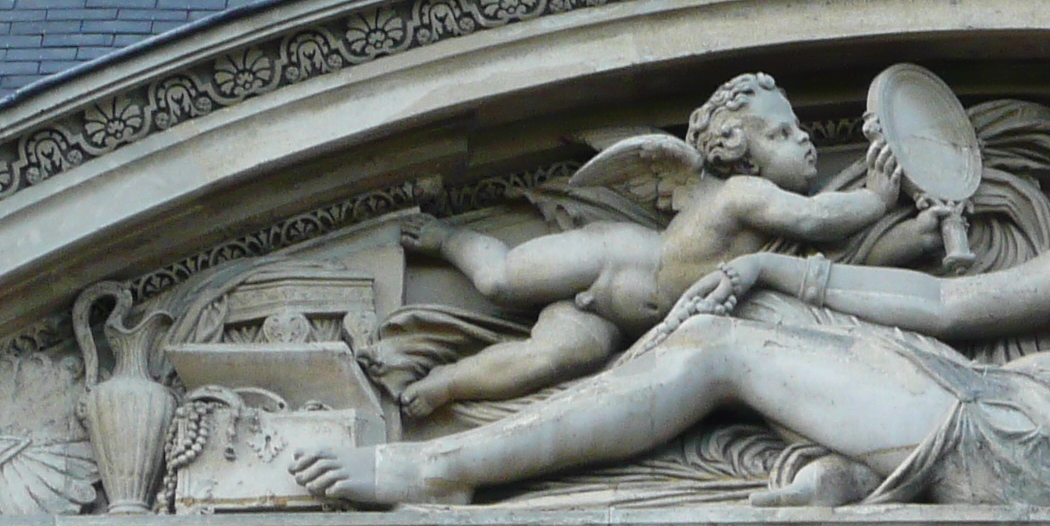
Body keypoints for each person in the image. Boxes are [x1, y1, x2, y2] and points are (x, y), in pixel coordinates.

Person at [292, 40, 1050, 508]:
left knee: (713, 350)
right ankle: (840, 479)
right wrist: (780, 277)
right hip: (1024, 408)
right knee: (755, 329)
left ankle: (422, 466)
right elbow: (950, 305)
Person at [386, 72, 906, 414]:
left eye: (798, 131)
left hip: (620, 321)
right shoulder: (746, 194)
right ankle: (447, 236)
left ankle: (448, 383)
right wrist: (878, 200)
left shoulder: (765, 222)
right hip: (612, 257)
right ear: (738, 150)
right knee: (500, 279)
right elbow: (817, 218)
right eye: (781, 134)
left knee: (550, 359)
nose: (805, 139)